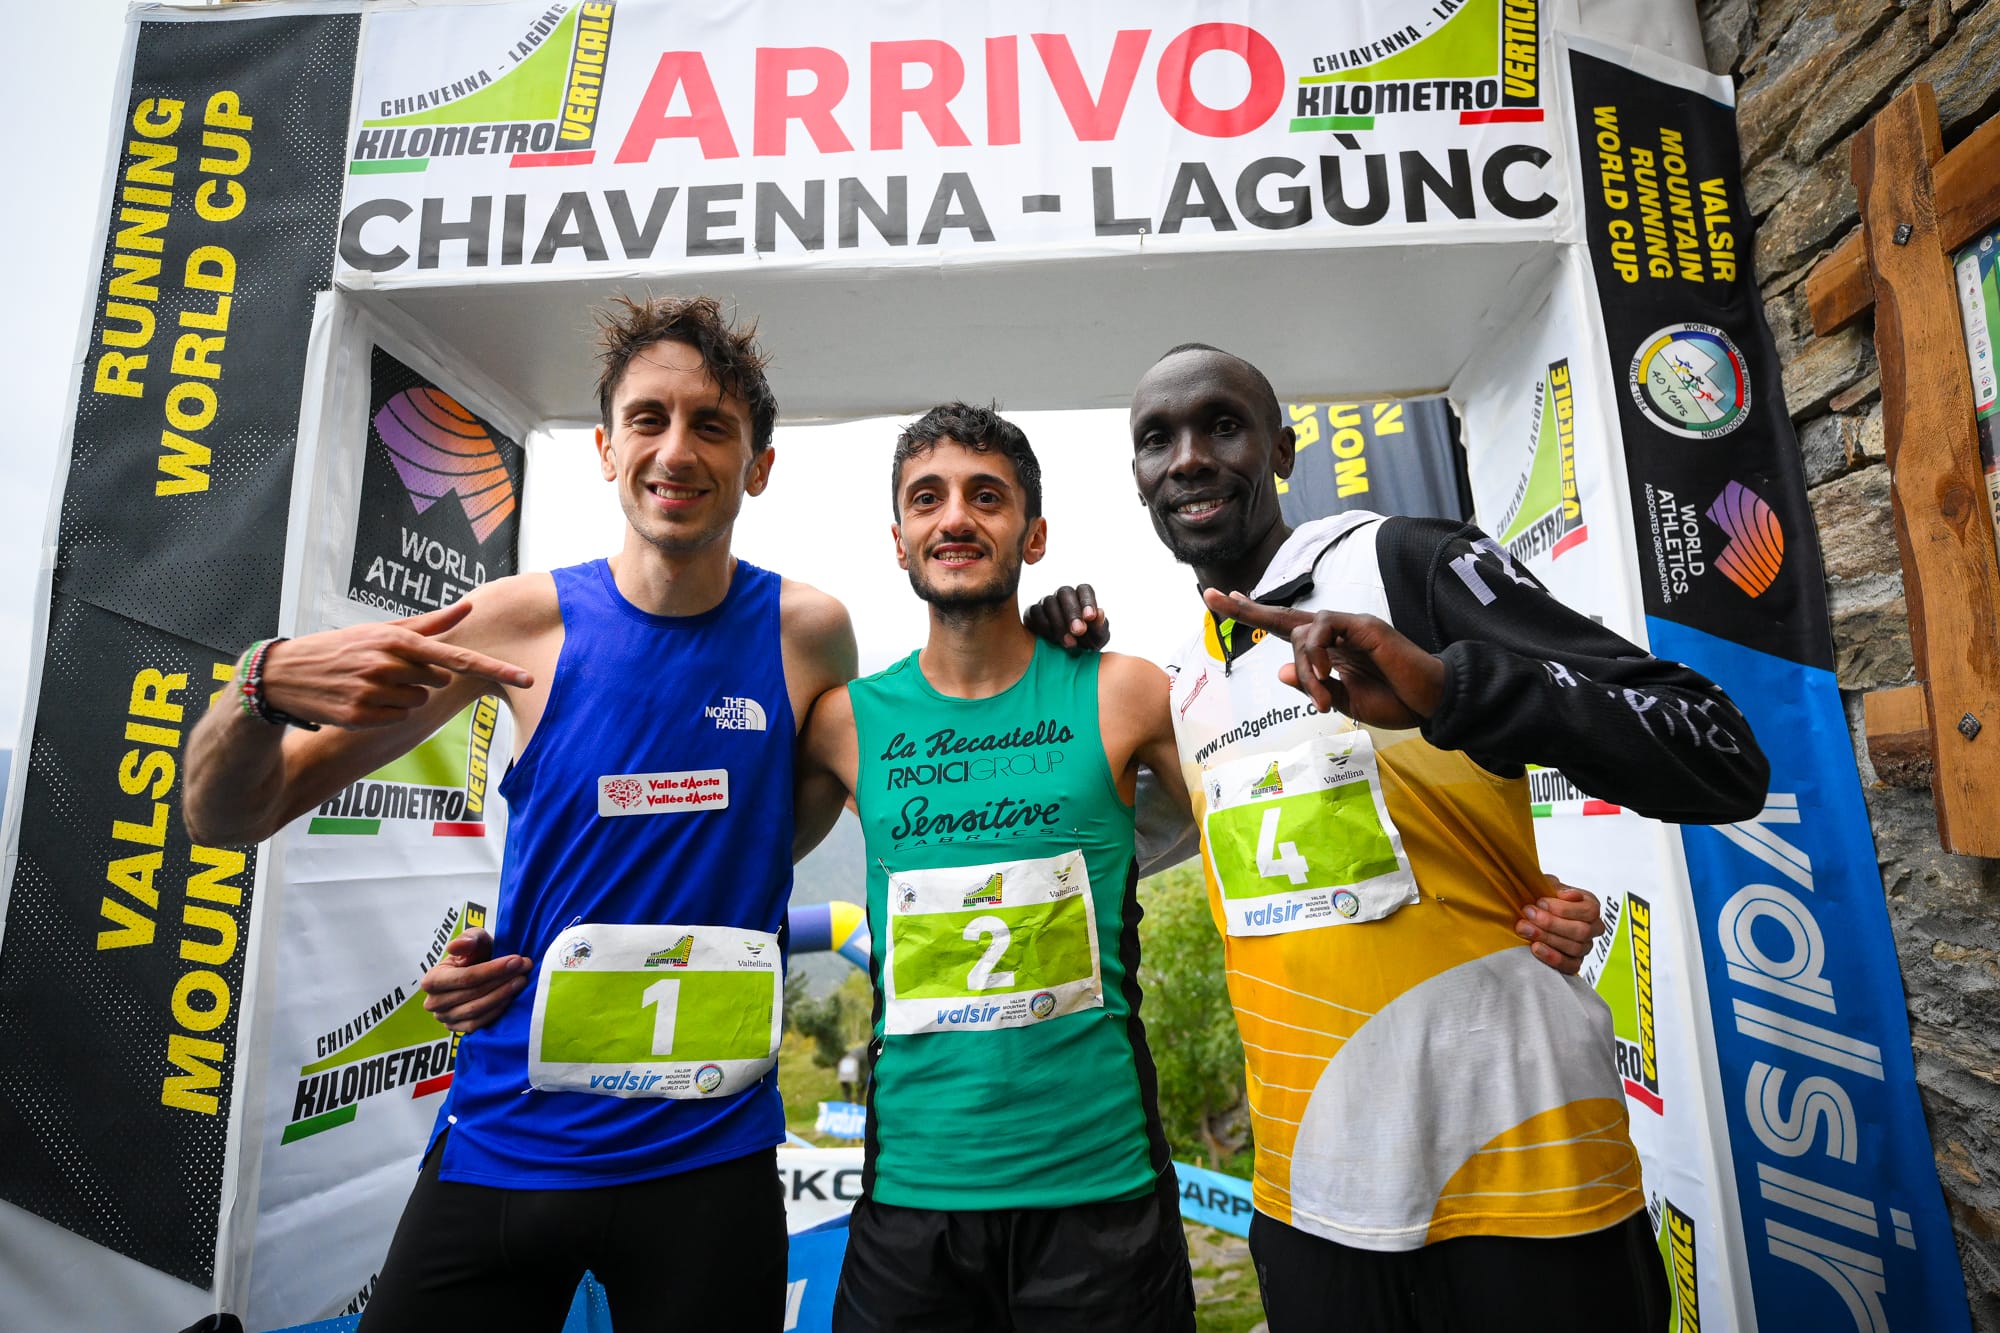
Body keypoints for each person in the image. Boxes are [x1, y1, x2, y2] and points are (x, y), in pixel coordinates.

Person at [426, 401, 1609, 1332]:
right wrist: (519, 956)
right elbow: (708, 851)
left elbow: (1286, 830)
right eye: (927, 498)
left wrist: (1518, 902)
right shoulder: (839, 718)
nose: (956, 518)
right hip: (910, 1205)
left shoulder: (1130, 691)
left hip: (1100, 1197)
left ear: (1030, 534)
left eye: (986, 498)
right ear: (895, 537)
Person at [1029, 343, 1770, 1333]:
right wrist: (1039, 672)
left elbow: (1717, 751)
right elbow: (1074, 854)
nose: (1188, 458)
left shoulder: (1400, 559)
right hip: (1313, 1206)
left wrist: (1453, 688)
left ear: (1282, 450)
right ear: (1137, 480)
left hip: (1526, 1182)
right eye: (1155, 440)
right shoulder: (1187, 684)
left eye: (1220, 425)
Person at [183, 296, 855, 1332]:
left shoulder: (809, 633)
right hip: (508, 1140)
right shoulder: (514, 623)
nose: (675, 450)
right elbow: (232, 814)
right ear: (604, 448)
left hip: (705, 1163)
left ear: (756, 464)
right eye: (648, 419)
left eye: (710, 425)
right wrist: (258, 685)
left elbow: (789, 827)